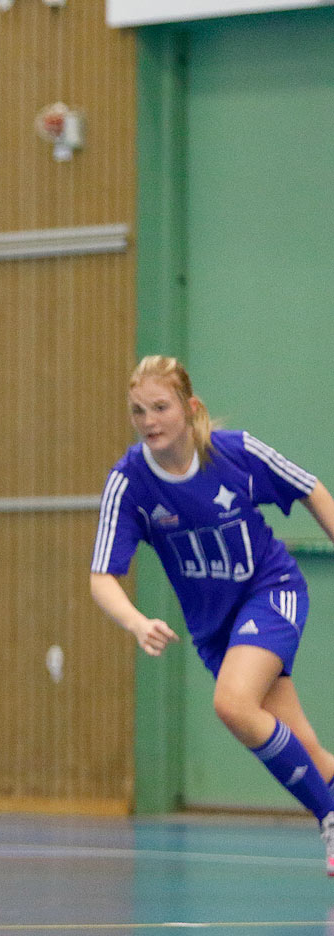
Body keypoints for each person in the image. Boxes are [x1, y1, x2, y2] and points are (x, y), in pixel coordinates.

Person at [90, 355, 334, 871]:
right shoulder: (129, 481)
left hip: (271, 591)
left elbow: (310, 487)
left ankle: (329, 816)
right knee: (310, 753)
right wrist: (136, 621)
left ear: (189, 407)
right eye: (138, 411)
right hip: (214, 630)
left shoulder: (235, 453)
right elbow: (101, 576)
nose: (149, 420)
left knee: (232, 704)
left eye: (160, 407)